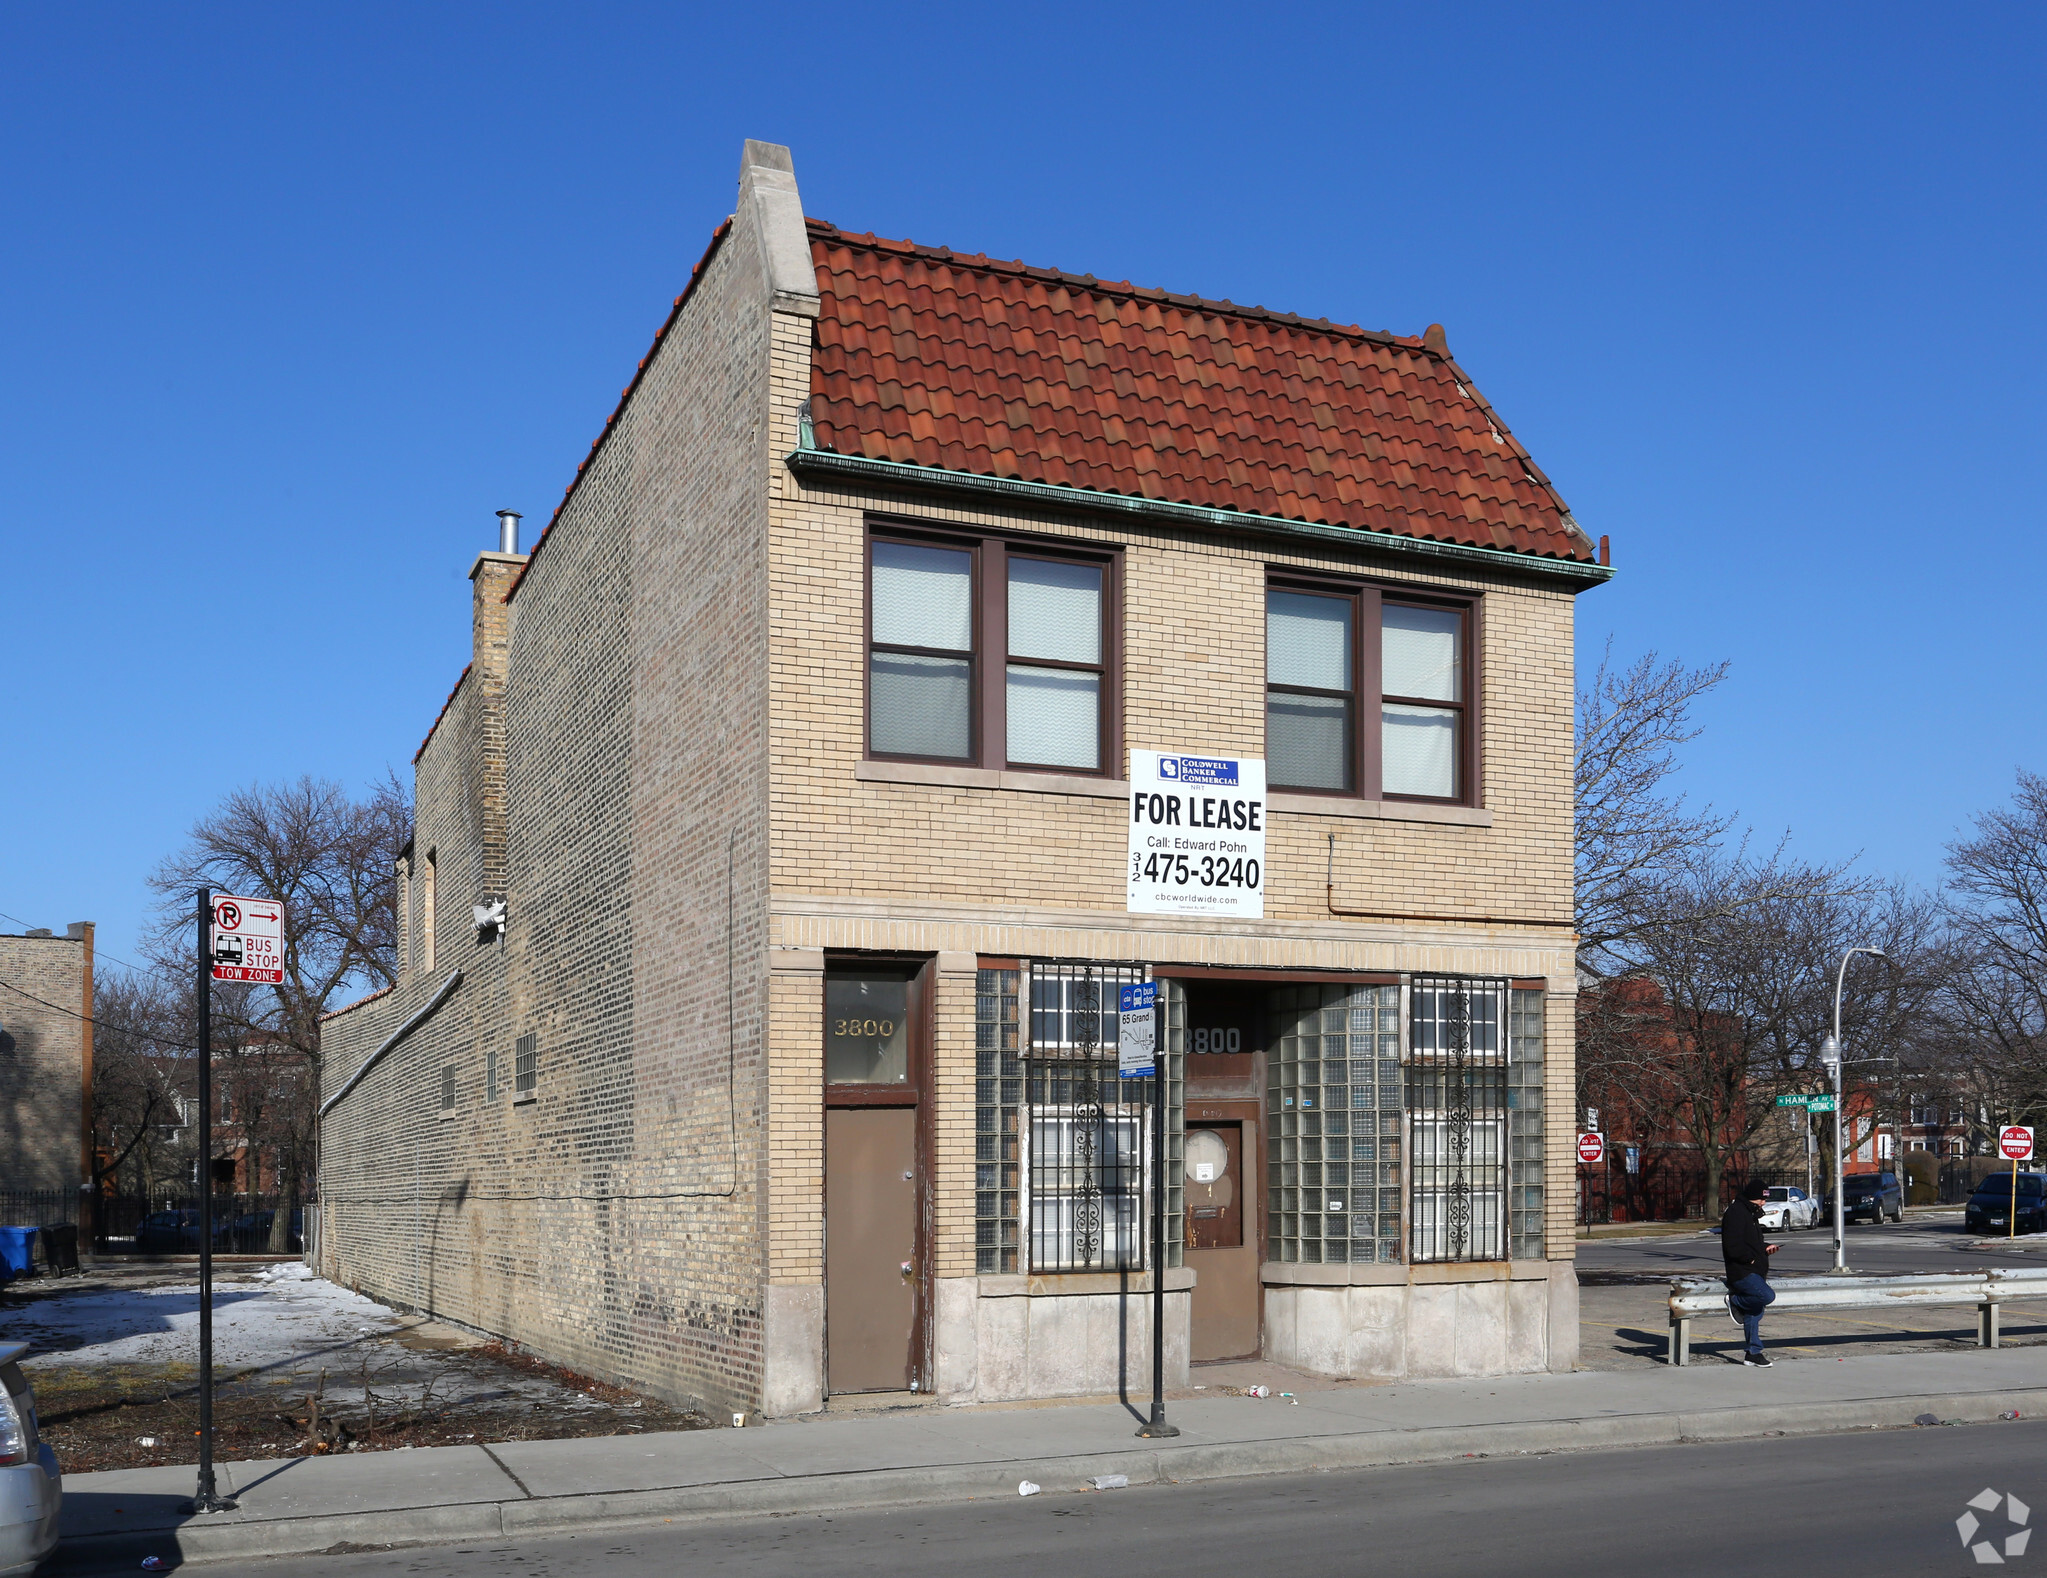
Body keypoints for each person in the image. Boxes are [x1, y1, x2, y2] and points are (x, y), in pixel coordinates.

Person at [1722, 1178, 1779, 1366]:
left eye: (1765, 1200)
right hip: (1742, 1271)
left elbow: (1751, 1242)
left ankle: (1753, 1353)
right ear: (1751, 1197)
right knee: (1766, 1296)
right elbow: (1733, 1245)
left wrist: (1765, 1247)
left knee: (1754, 1311)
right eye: (1760, 1200)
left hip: (1754, 1269)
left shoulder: (1751, 1213)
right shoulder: (1736, 1213)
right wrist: (1749, 1258)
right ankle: (1736, 1301)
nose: (1763, 1203)